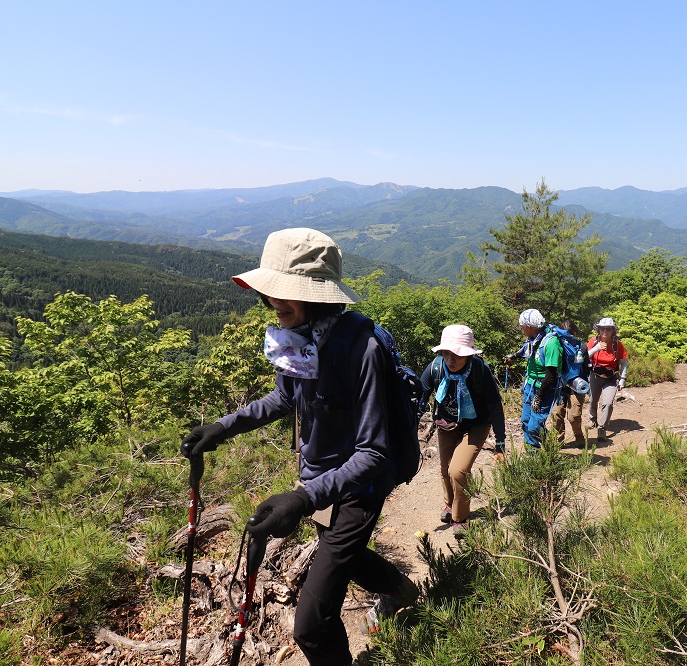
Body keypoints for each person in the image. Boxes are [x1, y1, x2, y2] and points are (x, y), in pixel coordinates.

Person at [179, 228, 417, 664]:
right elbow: (285, 397)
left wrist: (303, 499)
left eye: (286, 293)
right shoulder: (304, 338)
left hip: (359, 489)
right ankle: (401, 589)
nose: (274, 303)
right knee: (345, 552)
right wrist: (221, 427)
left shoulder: (361, 348)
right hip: (320, 481)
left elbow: (374, 452)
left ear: (320, 296)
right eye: (271, 293)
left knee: (310, 624)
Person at [420, 325, 506, 535]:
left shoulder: (479, 370)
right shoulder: (435, 368)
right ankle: (449, 504)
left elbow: (494, 405)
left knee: (457, 470)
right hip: (447, 424)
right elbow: (420, 399)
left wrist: (500, 443)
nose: (451, 359)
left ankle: (460, 517)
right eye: (446, 353)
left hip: (477, 425)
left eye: (457, 354)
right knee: (445, 468)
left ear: (467, 355)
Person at [505, 309, 563, 451]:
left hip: (545, 388)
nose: (522, 330)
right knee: (525, 420)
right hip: (530, 385)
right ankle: (544, 449)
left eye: (522, 327)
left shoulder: (551, 343)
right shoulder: (535, 338)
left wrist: (539, 396)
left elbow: (551, 375)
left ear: (529, 327)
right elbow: (528, 350)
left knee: (533, 426)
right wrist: (514, 356)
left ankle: (537, 456)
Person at [587, 317, 628, 442]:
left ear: (613, 330)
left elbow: (624, 363)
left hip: (610, 377)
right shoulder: (593, 341)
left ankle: (602, 428)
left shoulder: (618, 345)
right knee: (593, 400)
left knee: (608, 403)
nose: (605, 331)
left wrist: (622, 379)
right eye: (602, 328)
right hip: (595, 375)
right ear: (598, 329)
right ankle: (592, 419)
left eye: (608, 329)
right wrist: (597, 348)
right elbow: (585, 357)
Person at [549, 319, 587, 447]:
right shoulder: (556, 345)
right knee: (556, 414)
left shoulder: (581, 347)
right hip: (559, 386)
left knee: (574, 416)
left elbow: (586, 368)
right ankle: (558, 441)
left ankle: (579, 436)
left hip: (576, 385)